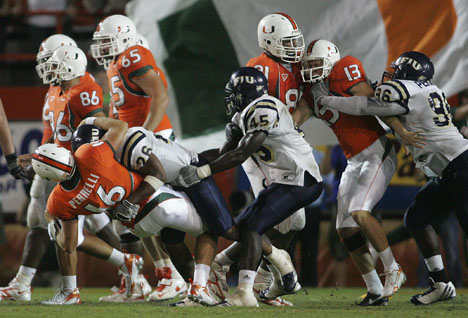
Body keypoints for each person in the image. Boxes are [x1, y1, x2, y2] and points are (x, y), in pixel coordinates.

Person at [311, 50, 467, 305]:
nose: (391, 73)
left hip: (460, 167)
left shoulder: (404, 88)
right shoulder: (429, 90)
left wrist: (326, 101)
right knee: (416, 217)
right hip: (450, 170)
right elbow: (382, 110)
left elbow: (365, 106)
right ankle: (440, 283)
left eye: (398, 68)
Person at [177, 67, 323, 306]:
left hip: (300, 178)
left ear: (246, 94)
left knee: (253, 226)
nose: (230, 99)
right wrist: (194, 159)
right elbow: (225, 153)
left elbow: (241, 154)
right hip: (285, 179)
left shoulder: (264, 108)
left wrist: (202, 172)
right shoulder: (243, 116)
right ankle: (272, 275)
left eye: (234, 93)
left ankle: (246, 290)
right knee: (247, 225)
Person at [0, 35, 120, 302]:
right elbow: (51, 132)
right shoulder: (57, 88)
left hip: (73, 167)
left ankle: (127, 268)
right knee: (41, 220)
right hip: (56, 164)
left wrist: (84, 168)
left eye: (51, 62)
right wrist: (38, 158)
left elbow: (93, 133)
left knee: (67, 233)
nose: (46, 68)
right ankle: (24, 283)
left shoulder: (84, 89)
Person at [294, 39, 410, 305]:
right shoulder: (312, 91)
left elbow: (374, 103)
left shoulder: (345, 68)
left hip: (375, 150)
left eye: (315, 63)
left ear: (330, 59)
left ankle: (393, 269)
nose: (311, 69)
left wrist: (401, 131)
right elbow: (297, 115)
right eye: (308, 64)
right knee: (345, 227)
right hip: (353, 160)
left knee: (359, 211)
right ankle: (375, 289)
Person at [210, 12, 306, 307]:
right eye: (286, 41)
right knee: (266, 218)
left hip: (279, 150)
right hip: (261, 151)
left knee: (295, 221)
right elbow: (248, 112)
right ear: (269, 41)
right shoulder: (259, 67)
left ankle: (228, 264)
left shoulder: (292, 68)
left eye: (294, 40)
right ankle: (254, 280)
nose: (293, 47)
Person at [91, 15, 185, 301]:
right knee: (128, 210)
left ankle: (172, 275)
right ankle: (150, 277)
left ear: (125, 37)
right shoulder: (115, 64)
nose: (102, 47)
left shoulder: (133, 55)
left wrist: (145, 134)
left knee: (143, 209)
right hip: (131, 140)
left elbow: (160, 95)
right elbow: (118, 112)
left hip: (148, 140)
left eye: (107, 41)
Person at [30, 119, 145, 304]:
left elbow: (68, 245)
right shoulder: (89, 152)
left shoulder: (58, 199)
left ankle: (70, 291)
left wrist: (52, 224)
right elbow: (122, 126)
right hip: (143, 195)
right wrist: (92, 120)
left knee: (64, 234)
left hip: (116, 209)